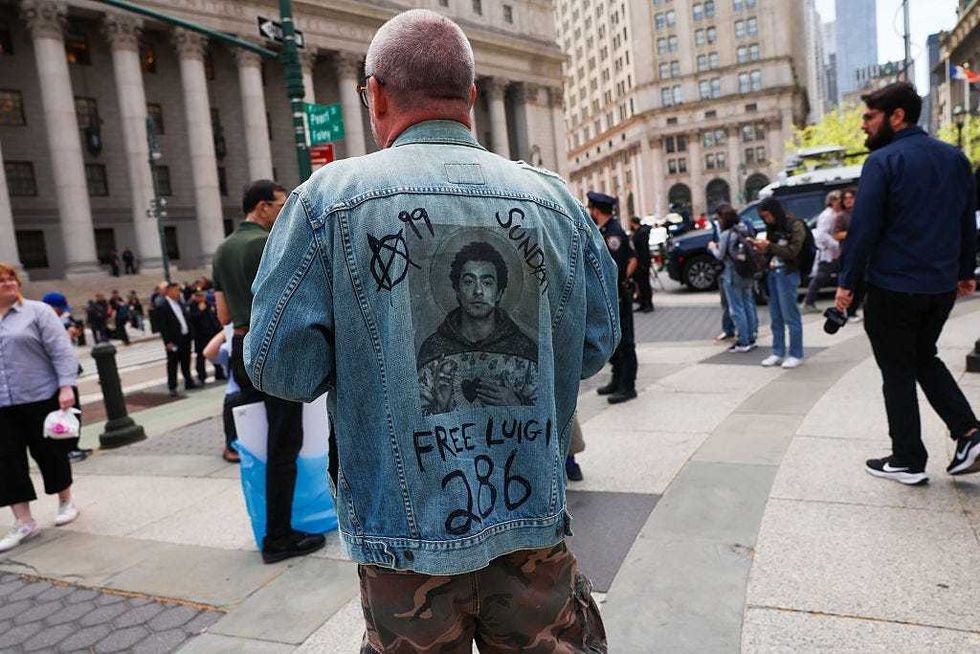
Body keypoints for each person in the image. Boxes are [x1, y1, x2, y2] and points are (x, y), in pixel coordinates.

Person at [245, 10, 616, 651]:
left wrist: (369, 357)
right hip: (531, 521)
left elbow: (282, 367)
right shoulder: (554, 200)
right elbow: (592, 345)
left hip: (403, 540)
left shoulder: (327, 199)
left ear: (377, 94)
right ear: (470, 95)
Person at [835, 81, 980, 485]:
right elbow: (967, 220)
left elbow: (864, 229)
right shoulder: (955, 158)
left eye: (869, 117)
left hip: (893, 286)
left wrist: (848, 283)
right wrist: (966, 271)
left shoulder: (883, 161)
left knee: (897, 369)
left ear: (896, 116)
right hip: (939, 288)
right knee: (922, 358)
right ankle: (969, 433)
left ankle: (907, 457)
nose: (864, 125)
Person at [213, 179, 323, 564]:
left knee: (264, 443)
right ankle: (279, 535)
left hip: (239, 344)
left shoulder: (224, 249)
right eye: (279, 205)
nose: (283, 212)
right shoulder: (264, 244)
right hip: (270, 347)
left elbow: (222, 313)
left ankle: (272, 525)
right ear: (261, 207)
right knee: (284, 446)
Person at [0, 264, 81, 552]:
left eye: (11, 278)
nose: (8, 283)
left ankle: (65, 500)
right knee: (6, 461)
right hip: (2, 403)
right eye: (1, 280)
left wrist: (66, 385)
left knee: (49, 452)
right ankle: (24, 521)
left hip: (39, 395)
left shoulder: (38, 312)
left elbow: (61, 350)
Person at [416, 241, 538, 415]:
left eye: (487, 283)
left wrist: (516, 403)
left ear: (499, 293)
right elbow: (410, 428)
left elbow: (547, 417)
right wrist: (439, 406)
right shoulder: (433, 350)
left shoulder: (525, 350)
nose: (478, 291)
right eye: (468, 281)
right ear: (457, 290)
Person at [590, 191, 638, 404]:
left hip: (618, 296)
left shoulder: (613, 235)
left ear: (596, 211)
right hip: (612, 297)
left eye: (591, 209)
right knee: (616, 342)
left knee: (626, 342)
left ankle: (628, 387)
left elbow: (615, 269)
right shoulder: (606, 231)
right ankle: (617, 380)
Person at [752, 196, 805, 368]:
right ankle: (777, 352)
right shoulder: (772, 227)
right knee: (775, 316)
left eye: (768, 216)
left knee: (790, 315)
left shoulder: (795, 225)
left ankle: (796, 353)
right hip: (773, 272)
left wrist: (769, 247)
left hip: (787, 273)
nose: (767, 220)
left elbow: (792, 251)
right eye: (764, 217)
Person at [39, 292, 91, 463]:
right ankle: (66, 450)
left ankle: (73, 446)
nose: (63, 313)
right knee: (62, 414)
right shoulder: (42, 322)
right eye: (60, 309)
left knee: (74, 413)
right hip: (54, 379)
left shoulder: (57, 321)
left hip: (66, 377)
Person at [708, 203, 758, 353]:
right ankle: (751, 335)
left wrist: (712, 248)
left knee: (736, 308)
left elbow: (720, 256)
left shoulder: (726, 235)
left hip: (732, 272)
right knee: (748, 303)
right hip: (747, 271)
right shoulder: (743, 229)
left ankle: (742, 340)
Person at [203, 327, 245, 463]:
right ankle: (231, 446)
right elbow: (208, 352)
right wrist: (225, 332)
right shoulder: (231, 346)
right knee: (233, 401)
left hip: (256, 392)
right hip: (236, 393)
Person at [802, 190, 843, 313]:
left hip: (835, 252)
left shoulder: (837, 214)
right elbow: (822, 235)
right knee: (821, 277)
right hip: (828, 252)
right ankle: (808, 302)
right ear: (832, 201)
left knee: (839, 275)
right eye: (837, 200)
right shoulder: (827, 215)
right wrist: (836, 244)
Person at [155, 282, 197, 398]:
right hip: (173, 340)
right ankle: (172, 386)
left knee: (186, 360)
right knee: (173, 363)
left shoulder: (180, 303)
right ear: (169, 291)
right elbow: (163, 326)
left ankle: (189, 381)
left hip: (185, 337)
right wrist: (167, 342)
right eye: (176, 290)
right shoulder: (162, 305)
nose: (179, 293)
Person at [833, 187, 863, 321]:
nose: (849, 201)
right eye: (846, 198)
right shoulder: (841, 216)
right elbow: (836, 234)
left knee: (863, 283)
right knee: (850, 283)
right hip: (847, 253)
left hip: (863, 253)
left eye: (851, 198)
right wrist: (852, 234)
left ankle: (856, 309)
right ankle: (849, 312)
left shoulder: (862, 213)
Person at [188, 289, 224, 385]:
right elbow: (192, 319)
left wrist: (217, 328)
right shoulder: (192, 306)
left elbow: (213, 317)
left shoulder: (208, 304)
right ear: (195, 297)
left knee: (215, 353)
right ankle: (201, 375)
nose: (202, 298)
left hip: (211, 333)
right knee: (201, 356)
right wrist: (200, 310)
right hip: (200, 335)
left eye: (203, 295)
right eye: (199, 296)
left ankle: (219, 372)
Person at [630, 216, 654, 313]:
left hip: (642, 262)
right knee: (640, 284)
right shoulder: (639, 232)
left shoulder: (641, 233)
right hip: (640, 262)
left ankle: (648, 304)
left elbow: (643, 250)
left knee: (645, 284)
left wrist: (643, 263)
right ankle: (643, 303)